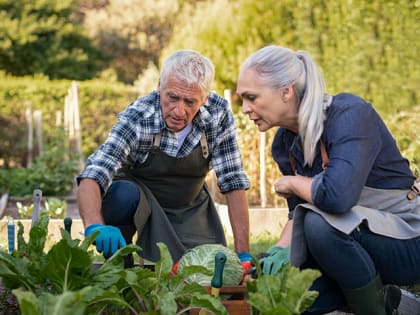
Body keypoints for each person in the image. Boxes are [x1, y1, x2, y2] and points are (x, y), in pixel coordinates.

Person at [236, 45, 420, 315]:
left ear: (286, 91)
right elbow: (297, 215)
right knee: (304, 302)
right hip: (353, 240)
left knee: (318, 226)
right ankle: (398, 304)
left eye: (251, 97)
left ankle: (379, 309)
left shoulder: (349, 115)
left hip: (408, 238)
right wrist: (276, 252)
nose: (244, 109)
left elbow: (337, 196)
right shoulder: (284, 143)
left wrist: (292, 183)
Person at [77, 50, 251, 270]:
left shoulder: (217, 114)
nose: (179, 111)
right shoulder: (139, 116)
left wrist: (244, 253)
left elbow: (233, 180)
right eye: (172, 97)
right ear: (159, 85)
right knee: (121, 196)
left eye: (190, 102)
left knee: (205, 273)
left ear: (204, 99)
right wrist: (94, 225)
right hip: (140, 202)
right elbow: (94, 173)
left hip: (189, 205)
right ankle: (119, 263)